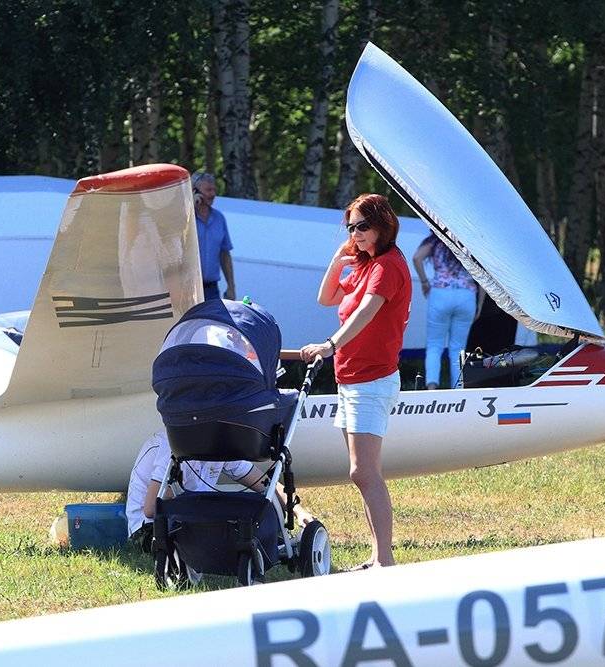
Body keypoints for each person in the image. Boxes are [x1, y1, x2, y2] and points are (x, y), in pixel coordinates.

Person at [299, 193, 411, 569]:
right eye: (350, 227)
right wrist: (337, 260)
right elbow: (326, 298)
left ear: (382, 225)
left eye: (363, 226)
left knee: (362, 471)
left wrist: (330, 344)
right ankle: (379, 556)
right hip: (351, 380)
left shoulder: (389, 266)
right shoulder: (364, 265)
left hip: (372, 381)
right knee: (364, 473)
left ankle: (386, 561)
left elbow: (366, 312)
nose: (356, 233)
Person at [126, 430, 313, 551]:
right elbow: (150, 508)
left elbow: (264, 483)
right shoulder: (170, 444)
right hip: (149, 528)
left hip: (190, 520)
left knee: (247, 524)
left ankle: (275, 544)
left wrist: (298, 510)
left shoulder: (220, 443)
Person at [412, 233, 480, 389]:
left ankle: (432, 388)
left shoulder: (436, 240)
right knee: (458, 348)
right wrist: (479, 305)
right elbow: (482, 277)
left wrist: (424, 282)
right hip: (467, 294)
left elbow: (417, 258)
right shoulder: (470, 241)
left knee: (434, 344)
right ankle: (458, 390)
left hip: (440, 294)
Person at [192, 171, 236, 301]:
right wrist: (190, 207)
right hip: (189, 289)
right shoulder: (186, 219)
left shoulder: (219, 218)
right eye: (208, 190)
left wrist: (231, 286)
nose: (213, 194)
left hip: (211, 289)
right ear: (195, 191)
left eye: (214, 190)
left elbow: (225, 254)